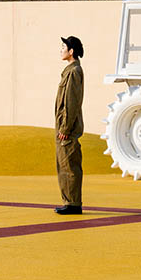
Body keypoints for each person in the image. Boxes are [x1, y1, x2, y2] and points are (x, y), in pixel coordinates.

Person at [54, 36, 85, 214]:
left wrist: (65, 128)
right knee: (65, 165)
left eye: (63, 47)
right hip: (64, 126)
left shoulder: (73, 71)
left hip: (68, 129)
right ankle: (69, 202)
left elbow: (71, 102)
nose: (61, 50)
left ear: (71, 51)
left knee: (69, 166)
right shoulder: (70, 70)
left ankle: (73, 204)